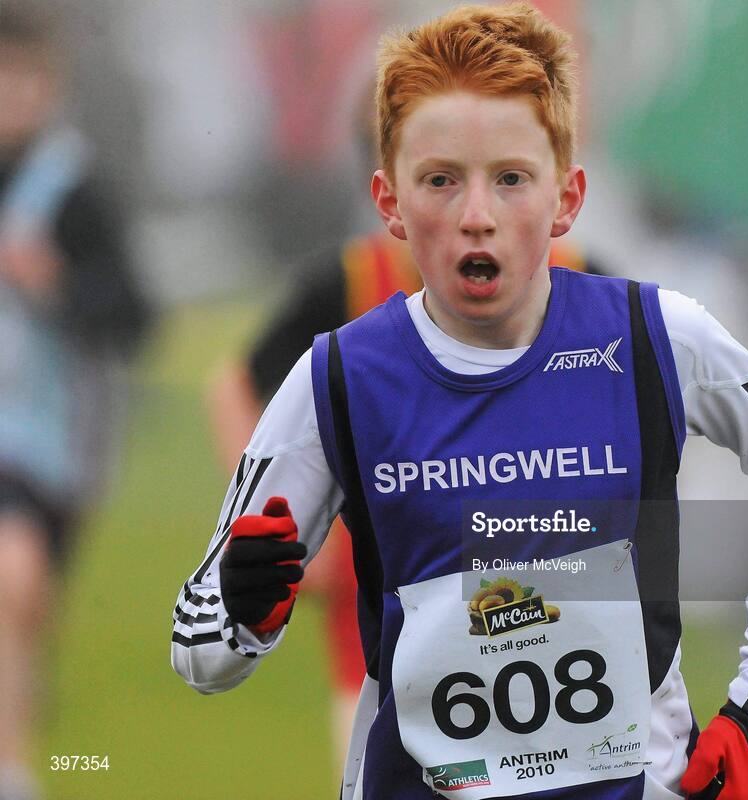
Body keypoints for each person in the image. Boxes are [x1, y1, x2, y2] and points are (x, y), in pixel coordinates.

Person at [171, 5, 748, 799]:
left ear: (568, 197)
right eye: (441, 181)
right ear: (390, 202)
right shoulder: (338, 379)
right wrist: (244, 609)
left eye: (512, 179)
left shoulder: (658, 335)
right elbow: (201, 645)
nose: (477, 216)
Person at [207, 230, 600, 774]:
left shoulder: (585, 280)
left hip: (551, 603)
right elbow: (234, 383)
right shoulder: (353, 280)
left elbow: (649, 414)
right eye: (437, 176)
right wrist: (272, 528)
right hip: (387, 609)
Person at [0, 5, 149, 800]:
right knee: (10, 573)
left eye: (24, 79)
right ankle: (15, 770)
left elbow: (134, 318)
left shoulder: (73, 188)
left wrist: (56, 286)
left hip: (56, 436)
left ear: (49, 85)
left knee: (24, 596)